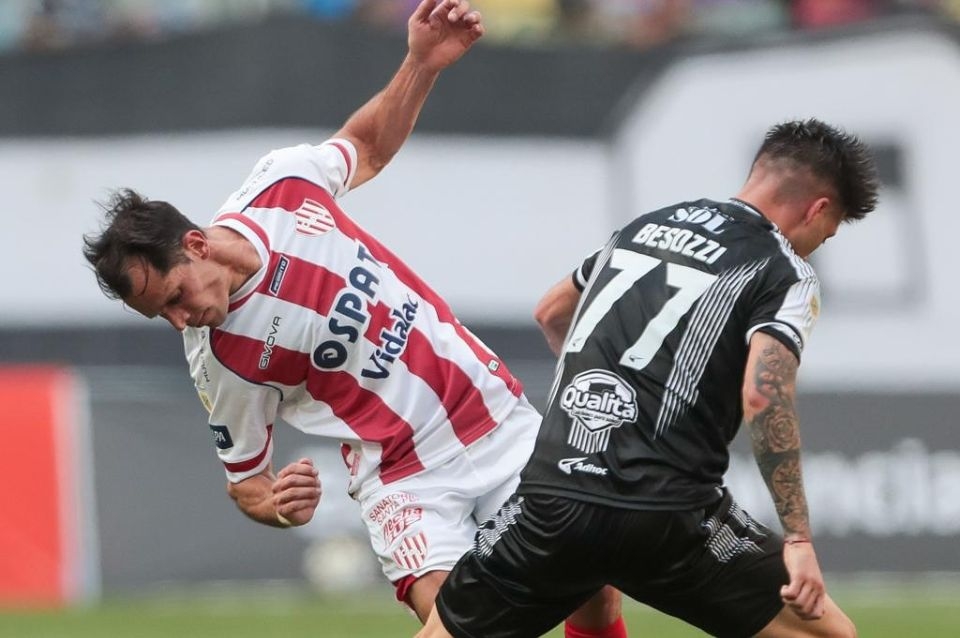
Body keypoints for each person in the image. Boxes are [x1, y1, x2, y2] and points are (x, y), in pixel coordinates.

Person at [81, 1, 626, 636]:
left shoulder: (280, 187)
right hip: (406, 481)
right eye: (162, 316)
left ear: (197, 245)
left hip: (494, 416)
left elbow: (365, 146)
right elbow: (246, 481)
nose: (180, 321)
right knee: (463, 625)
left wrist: (421, 64)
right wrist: (279, 505)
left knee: (594, 590)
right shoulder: (220, 359)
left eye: (175, 296)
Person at [417, 118, 879, 638]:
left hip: (553, 500)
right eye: (826, 233)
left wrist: (600, 389)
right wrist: (798, 539)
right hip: (669, 517)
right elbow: (763, 394)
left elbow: (551, 311)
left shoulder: (641, 230)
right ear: (817, 209)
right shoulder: (784, 270)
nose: (815, 247)